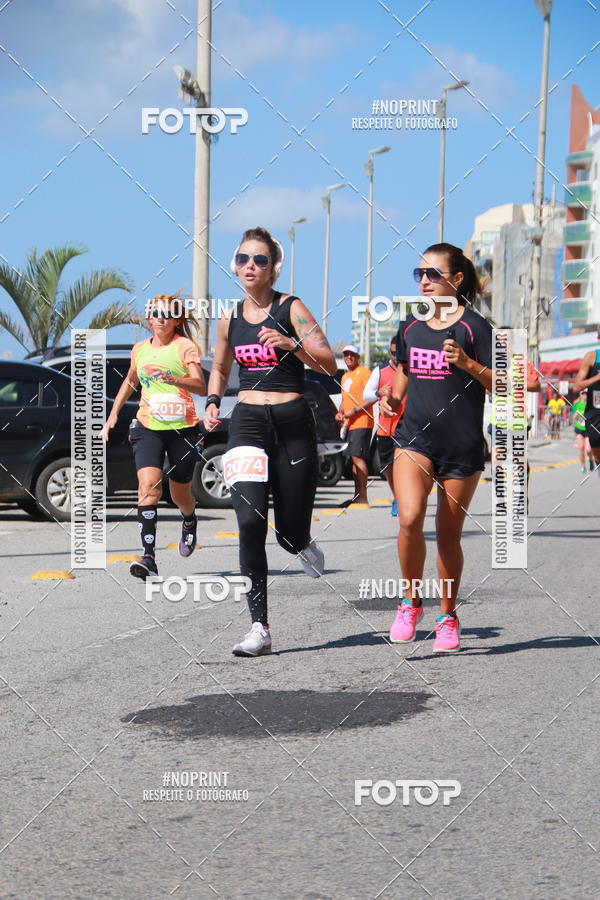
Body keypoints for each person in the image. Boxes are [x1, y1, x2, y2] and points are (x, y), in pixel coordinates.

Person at [203, 226, 336, 657]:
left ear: (274, 267)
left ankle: (301, 542)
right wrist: (211, 401)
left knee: (288, 533)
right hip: (247, 423)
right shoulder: (229, 318)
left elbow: (329, 361)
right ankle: (259, 626)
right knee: (248, 524)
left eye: (259, 260)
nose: (250, 266)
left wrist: (292, 344)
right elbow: (221, 369)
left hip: (293, 421)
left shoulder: (291, 307)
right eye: (243, 258)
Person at [380, 242, 494, 653]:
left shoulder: (476, 328)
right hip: (415, 438)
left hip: (462, 447)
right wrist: (391, 399)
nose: (424, 281)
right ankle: (410, 602)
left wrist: (466, 363)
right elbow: (404, 374)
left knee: (448, 537)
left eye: (432, 274)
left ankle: (448, 615)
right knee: (409, 517)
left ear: (456, 279)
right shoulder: (410, 326)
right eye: (419, 274)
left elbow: (506, 385)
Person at [101, 294, 206, 579]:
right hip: (148, 426)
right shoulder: (140, 349)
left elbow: (200, 384)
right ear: (149, 319)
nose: (161, 317)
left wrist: (177, 380)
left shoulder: (184, 346)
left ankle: (189, 519)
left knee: (179, 493)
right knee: (149, 486)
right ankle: (148, 557)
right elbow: (131, 380)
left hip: (182, 428)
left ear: (176, 320)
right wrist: (113, 414)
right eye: (156, 313)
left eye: (168, 313)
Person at [362, 337, 406, 515]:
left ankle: (405, 499)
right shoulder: (380, 371)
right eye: (393, 352)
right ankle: (397, 496)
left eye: (399, 353)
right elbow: (366, 395)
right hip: (386, 428)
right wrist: (378, 393)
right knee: (388, 466)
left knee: (405, 465)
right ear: (390, 352)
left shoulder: (412, 371)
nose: (396, 356)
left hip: (408, 428)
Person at [335, 345, 374, 506]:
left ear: (358, 356)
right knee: (353, 458)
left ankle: (363, 496)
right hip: (349, 423)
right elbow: (345, 399)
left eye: (352, 354)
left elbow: (373, 397)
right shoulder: (345, 376)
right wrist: (340, 412)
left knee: (358, 457)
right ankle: (357, 495)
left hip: (362, 421)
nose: (349, 357)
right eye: (346, 355)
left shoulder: (365, 373)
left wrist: (356, 410)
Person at [573, 344, 600, 474]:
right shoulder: (592, 357)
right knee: (593, 453)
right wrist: (597, 377)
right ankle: (588, 465)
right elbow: (576, 386)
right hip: (595, 416)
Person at [572, 390, 594, 473]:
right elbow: (573, 418)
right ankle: (583, 467)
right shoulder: (577, 404)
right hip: (579, 428)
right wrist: (576, 414)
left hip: (588, 429)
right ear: (580, 395)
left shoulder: (591, 405)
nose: (585, 395)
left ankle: (591, 460)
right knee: (581, 447)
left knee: (588, 449)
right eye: (583, 394)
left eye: (586, 394)